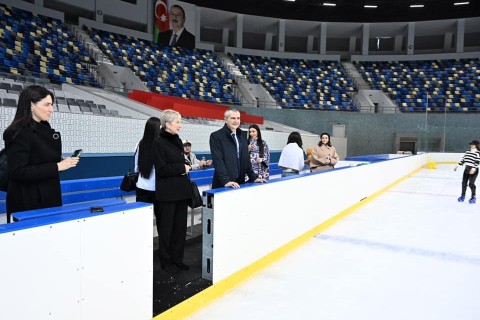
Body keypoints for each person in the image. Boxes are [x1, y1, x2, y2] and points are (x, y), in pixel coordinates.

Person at [2, 85, 79, 223]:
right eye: (47, 105)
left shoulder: (44, 128)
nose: (51, 109)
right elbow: (18, 172)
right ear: (31, 105)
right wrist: (57, 166)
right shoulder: (17, 132)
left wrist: (59, 161)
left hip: (48, 196)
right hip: (28, 201)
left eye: (52, 105)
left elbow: (38, 158)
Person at [152, 110, 192, 274]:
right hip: (167, 194)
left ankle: (178, 259)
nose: (180, 125)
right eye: (177, 122)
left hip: (181, 192)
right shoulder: (158, 143)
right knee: (167, 230)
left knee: (179, 229)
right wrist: (182, 168)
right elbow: (161, 169)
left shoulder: (178, 141)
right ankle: (166, 262)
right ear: (167, 124)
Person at [209, 109, 266, 189]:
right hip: (224, 184)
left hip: (240, 182)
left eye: (238, 118)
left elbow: (246, 159)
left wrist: (253, 177)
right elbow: (218, 160)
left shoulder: (242, 136)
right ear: (225, 120)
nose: (236, 121)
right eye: (233, 118)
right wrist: (226, 181)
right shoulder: (216, 136)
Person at [135, 117, 161, 215]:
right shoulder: (160, 144)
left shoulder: (140, 144)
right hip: (157, 188)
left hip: (141, 186)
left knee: (142, 219)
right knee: (161, 219)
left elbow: (136, 166)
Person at [454, 140, 479, 204]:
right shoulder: (467, 151)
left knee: (471, 184)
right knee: (464, 183)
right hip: (467, 169)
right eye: (471, 144)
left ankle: (473, 197)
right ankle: (463, 196)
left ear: (476, 145)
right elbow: (463, 159)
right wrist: (457, 165)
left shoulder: (478, 152)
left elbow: (477, 161)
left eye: (473, 144)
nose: (471, 145)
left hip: (474, 170)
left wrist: (473, 169)